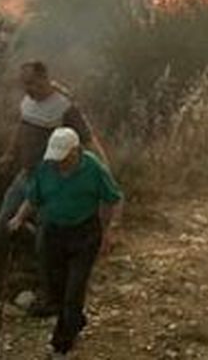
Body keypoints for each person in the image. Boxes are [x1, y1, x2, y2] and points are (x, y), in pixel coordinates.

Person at [6, 126, 123, 360]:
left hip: (85, 234)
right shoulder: (45, 168)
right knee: (56, 291)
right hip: (53, 234)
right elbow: (33, 198)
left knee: (74, 290)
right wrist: (18, 217)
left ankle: (61, 346)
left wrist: (111, 230)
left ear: (76, 151)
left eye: (64, 158)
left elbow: (114, 198)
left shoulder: (93, 168)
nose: (59, 162)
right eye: (56, 157)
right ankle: (75, 320)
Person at [0, 61, 107, 231]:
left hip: (48, 179)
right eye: (24, 83)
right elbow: (21, 128)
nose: (26, 88)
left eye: (30, 83)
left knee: (46, 227)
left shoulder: (64, 107)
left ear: (44, 79)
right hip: (25, 174)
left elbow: (88, 139)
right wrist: (10, 154)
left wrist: (104, 170)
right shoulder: (28, 101)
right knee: (4, 221)